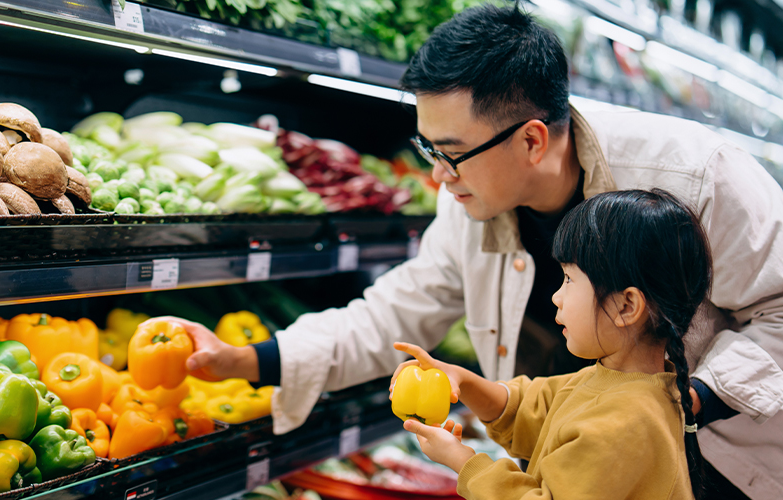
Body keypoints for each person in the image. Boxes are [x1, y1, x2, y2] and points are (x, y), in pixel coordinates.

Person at [177, 5, 783, 498]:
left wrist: (672, 403)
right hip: (564, 456)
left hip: (722, 468)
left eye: (451, 151)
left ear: (532, 139)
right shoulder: (470, 193)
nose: (438, 175)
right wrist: (241, 361)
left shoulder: (696, 174)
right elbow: (393, 313)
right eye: (427, 149)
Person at [392, 189, 710, 500]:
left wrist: (463, 463)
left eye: (570, 280)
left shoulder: (623, 425)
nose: (557, 296)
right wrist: (462, 380)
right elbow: (532, 408)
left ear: (626, 306)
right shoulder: (618, 384)